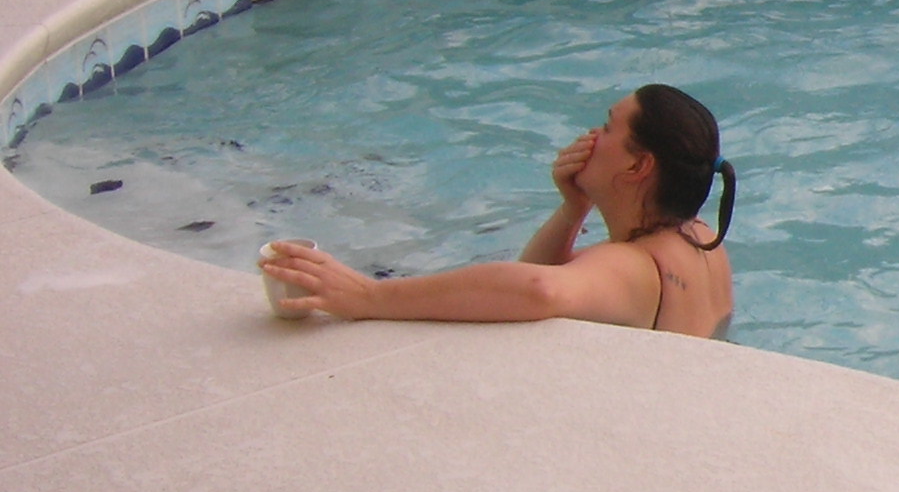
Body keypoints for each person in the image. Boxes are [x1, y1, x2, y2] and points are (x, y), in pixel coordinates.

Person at [259, 85, 736, 339]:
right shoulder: (701, 238)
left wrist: (370, 298)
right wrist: (574, 208)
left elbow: (538, 288)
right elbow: (538, 276)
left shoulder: (633, 266)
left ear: (638, 164)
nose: (592, 134)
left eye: (608, 127)